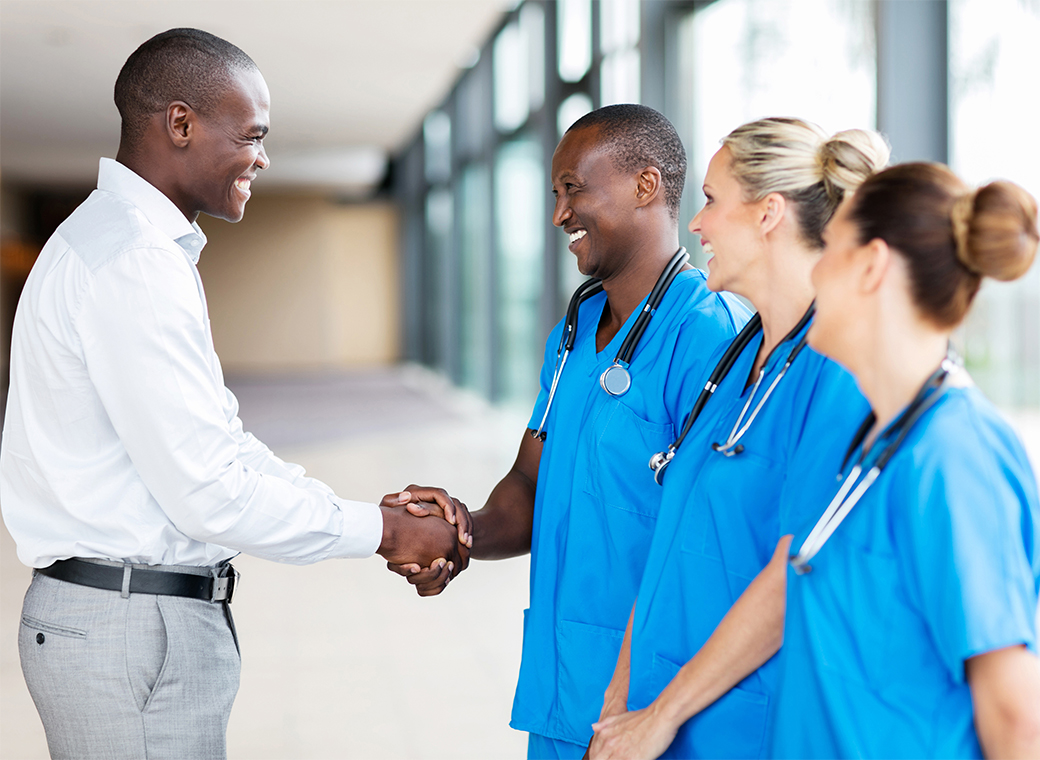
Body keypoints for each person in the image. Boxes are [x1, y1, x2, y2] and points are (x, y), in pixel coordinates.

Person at [1, 28, 467, 760]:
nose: (263, 157)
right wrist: (384, 532)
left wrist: (371, 514)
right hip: (129, 629)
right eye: (251, 134)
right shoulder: (132, 261)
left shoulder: (124, 246)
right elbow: (209, 490)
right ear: (180, 123)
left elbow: (220, 442)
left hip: (127, 619)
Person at [387, 104, 750, 758]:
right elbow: (531, 483)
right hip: (563, 688)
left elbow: (710, 547)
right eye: (556, 194)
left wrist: (650, 709)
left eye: (574, 189)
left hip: (653, 703)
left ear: (645, 186)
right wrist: (460, 532)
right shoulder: (576, 332)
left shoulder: (708, 336)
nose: (559, 214)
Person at [587, 118, 889, 759]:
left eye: (711, 200)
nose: (696, 225)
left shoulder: (836, 376)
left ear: (768, 214)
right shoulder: (737, 358)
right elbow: (672, 535)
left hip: (741, 726)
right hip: (658, 714)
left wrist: (660, 714)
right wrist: (619, 702)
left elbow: (793, 573)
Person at [771, 163, 1040, 758]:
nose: (814, 269)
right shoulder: (880, 440)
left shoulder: (956, 458)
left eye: (830, 247)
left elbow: (1017, 720)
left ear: (871, 265)